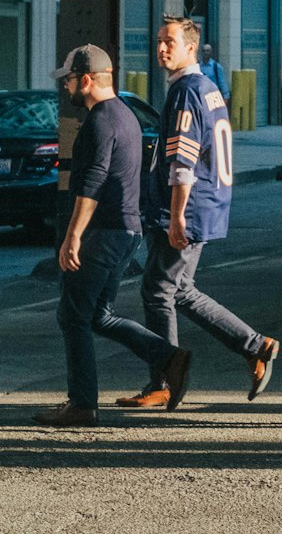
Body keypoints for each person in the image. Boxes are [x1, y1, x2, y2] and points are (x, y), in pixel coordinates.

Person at [116, 15, 279, 409]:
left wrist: (175, 216)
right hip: (205, 205)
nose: (161, 48)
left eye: (169, 41)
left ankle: (164, 380)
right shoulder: (207, 88)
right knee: (180, 290)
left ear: (192, 47)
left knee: (157, 290)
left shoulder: (187, 91)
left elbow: (182, 163)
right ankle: (255, 346)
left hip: (186, 208)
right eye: (158, 40)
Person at [33, 45, 191, 427]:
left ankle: (82, 404)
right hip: (126, 231)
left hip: (103, 233)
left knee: (72, 316)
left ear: (85, 80)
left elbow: (94, 179)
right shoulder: (125, 115)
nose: (66, 87)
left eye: (69, 80)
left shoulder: (101, 120)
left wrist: (73, 235)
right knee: (99, 315)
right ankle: (168, 358)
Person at [199, 41, 230, 107]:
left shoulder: (216, 67)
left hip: (213, 98)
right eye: (204, 51)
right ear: (201, 53)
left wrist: (225, 101)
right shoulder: (198, 66)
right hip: (200, 98)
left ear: (211, 52)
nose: (206, 53)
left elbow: (222, 83)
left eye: (208, 51)